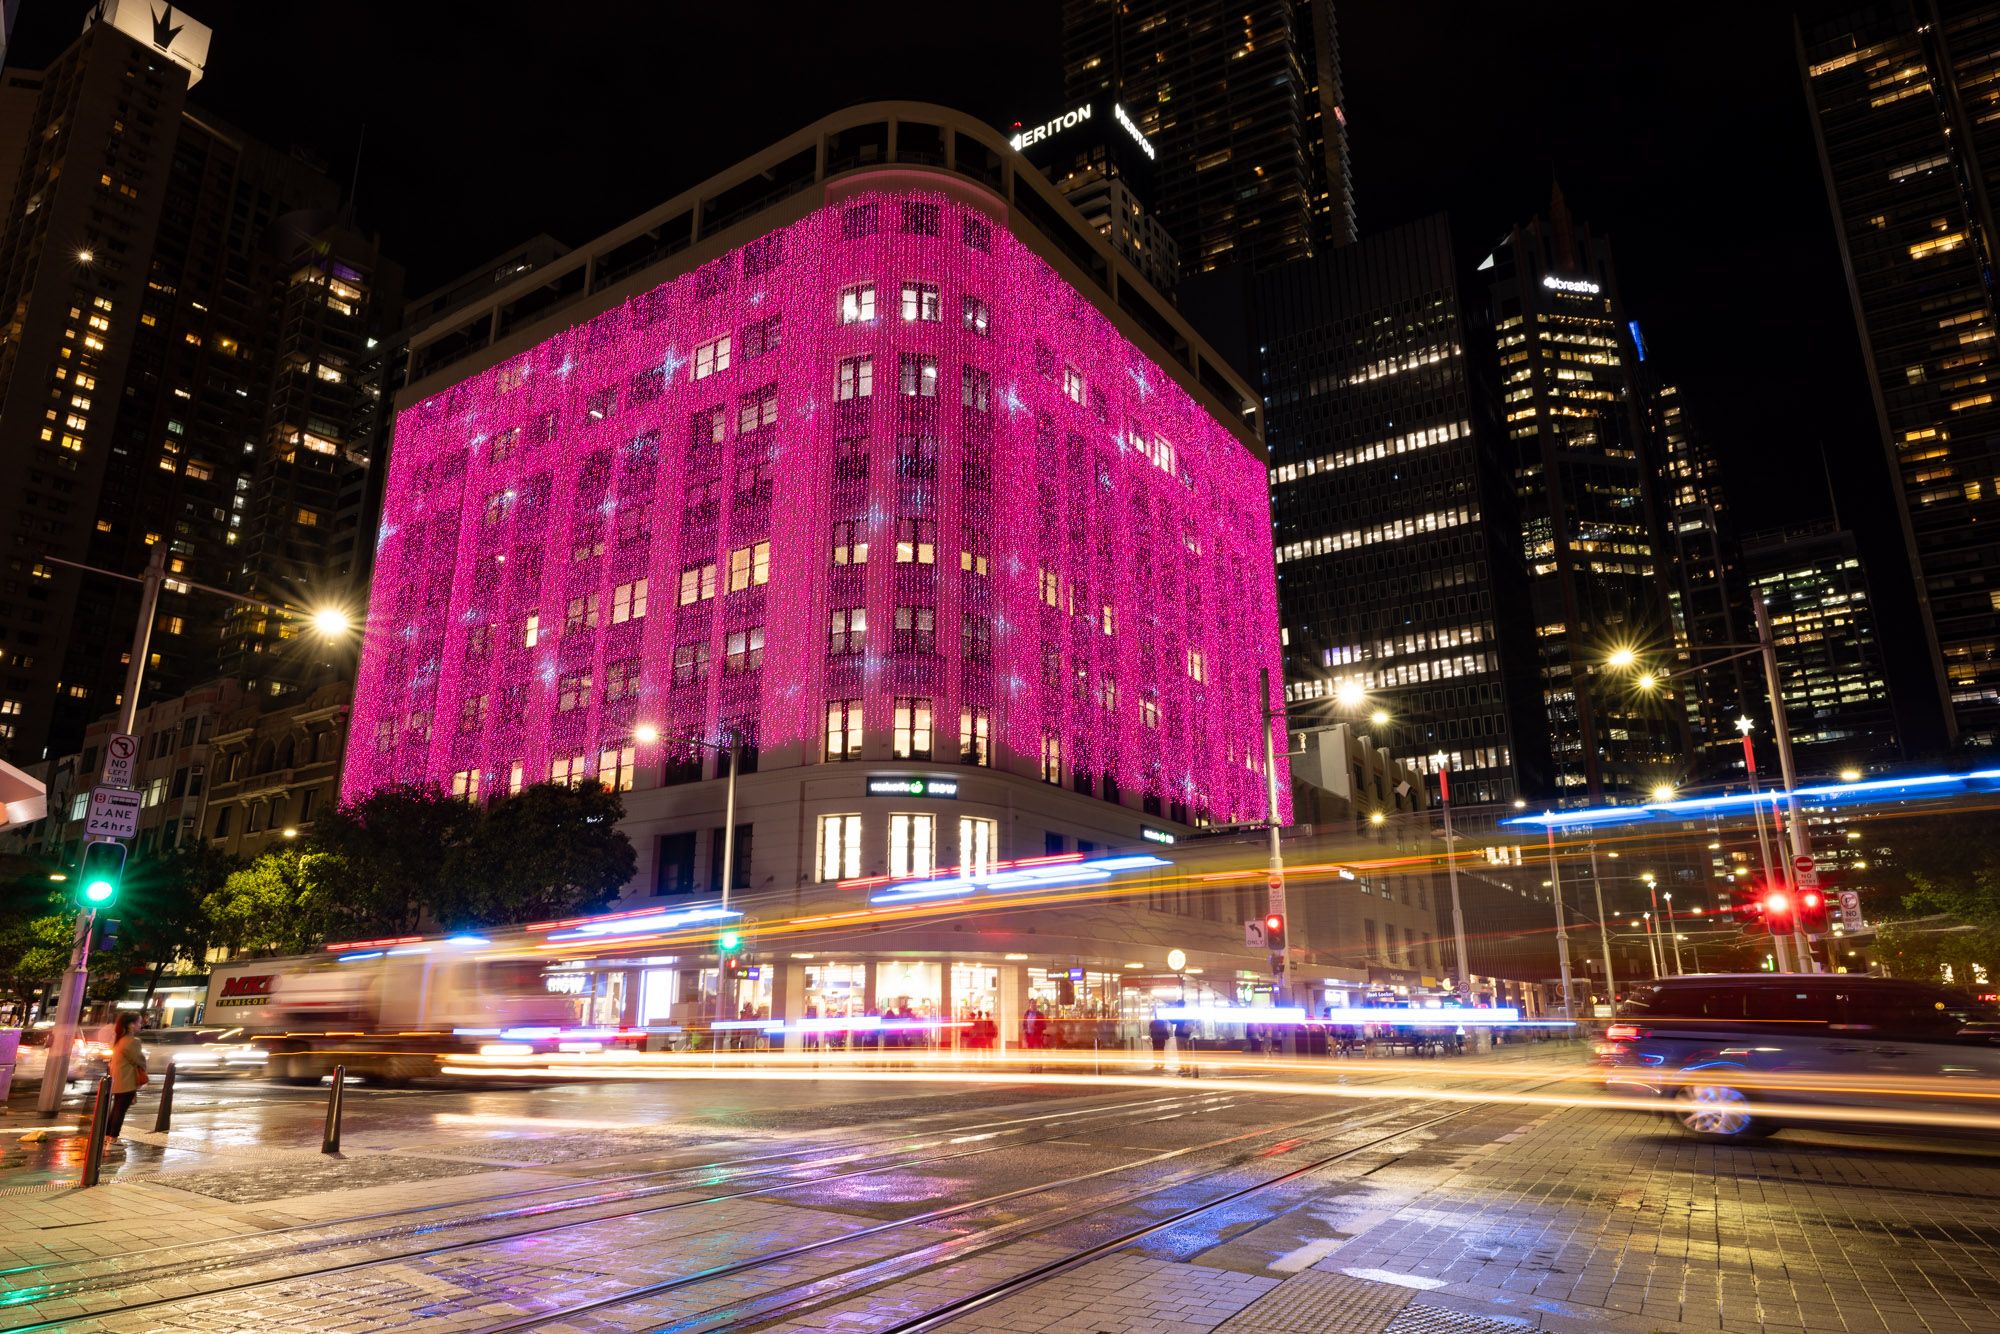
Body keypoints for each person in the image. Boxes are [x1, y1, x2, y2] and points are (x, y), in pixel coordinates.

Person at [105, 1013, 149, 1136]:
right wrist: (144, 1067)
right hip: (127, 1080)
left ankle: (108, 1135)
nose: (140, 1025)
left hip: (118, 1080)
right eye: (138, 1023)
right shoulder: (132, 1041)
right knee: (120, 1110)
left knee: (116, 1109)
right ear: (130, 1025)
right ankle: (113, 1137)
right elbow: (139, 1060)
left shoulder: (120, 1040)